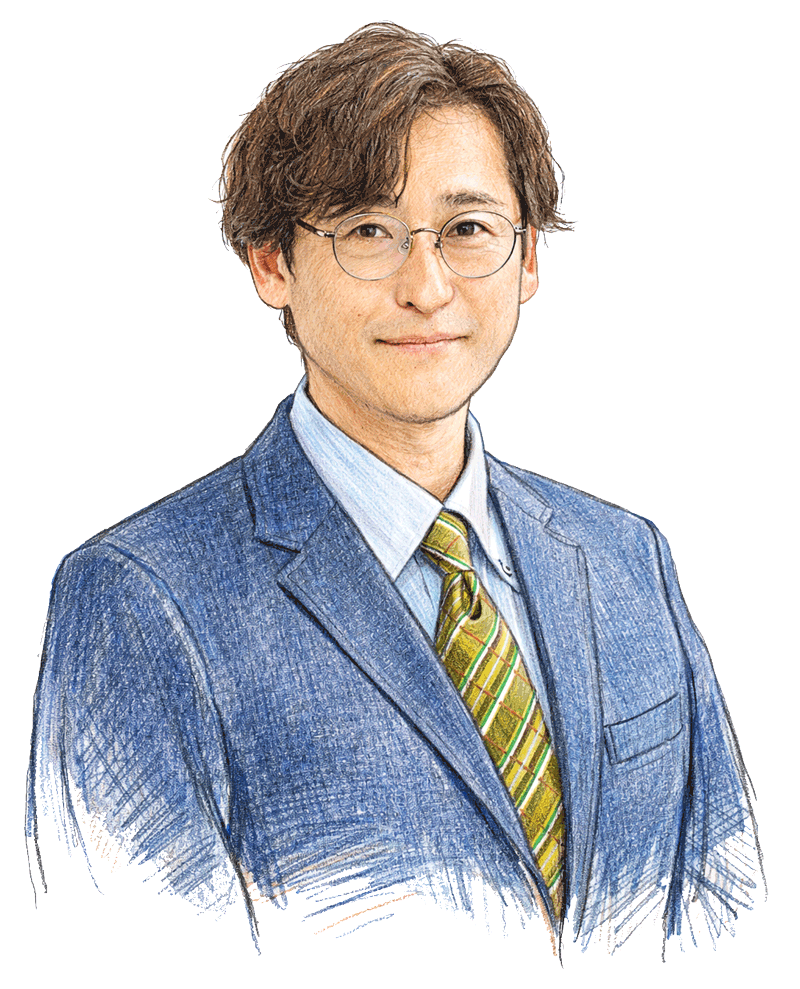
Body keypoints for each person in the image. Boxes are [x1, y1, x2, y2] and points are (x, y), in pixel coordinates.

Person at [26, 22, 761, 955]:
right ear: (270, 262)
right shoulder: (141, 596)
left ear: (529, 257)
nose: (427, 286)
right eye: (369, 231)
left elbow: (735, 931)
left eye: (468, 230)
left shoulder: (627, 557)